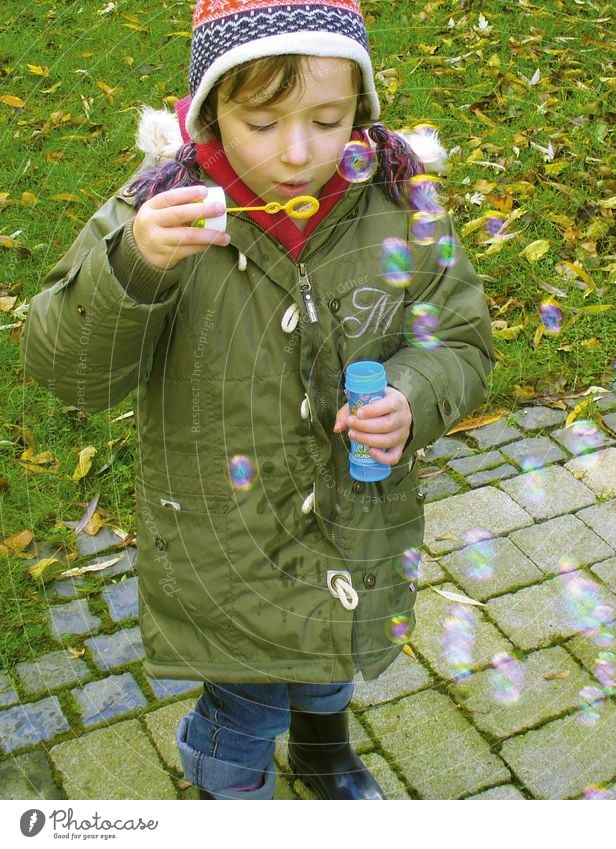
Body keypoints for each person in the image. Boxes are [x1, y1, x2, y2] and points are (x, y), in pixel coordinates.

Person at [22, 0, 493, 800]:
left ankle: (322, 752)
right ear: (210, 111)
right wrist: (133, 267)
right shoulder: (162, 213)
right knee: (243, 708)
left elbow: (458, 338)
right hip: (225, 545)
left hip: (355, 521)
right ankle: (228, 794)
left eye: (327, 118)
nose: (299, 152)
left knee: (333, 658)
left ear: (362, 109)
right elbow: (65, 367)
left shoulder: (398, 203)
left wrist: (412, 397)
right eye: (263, 121)